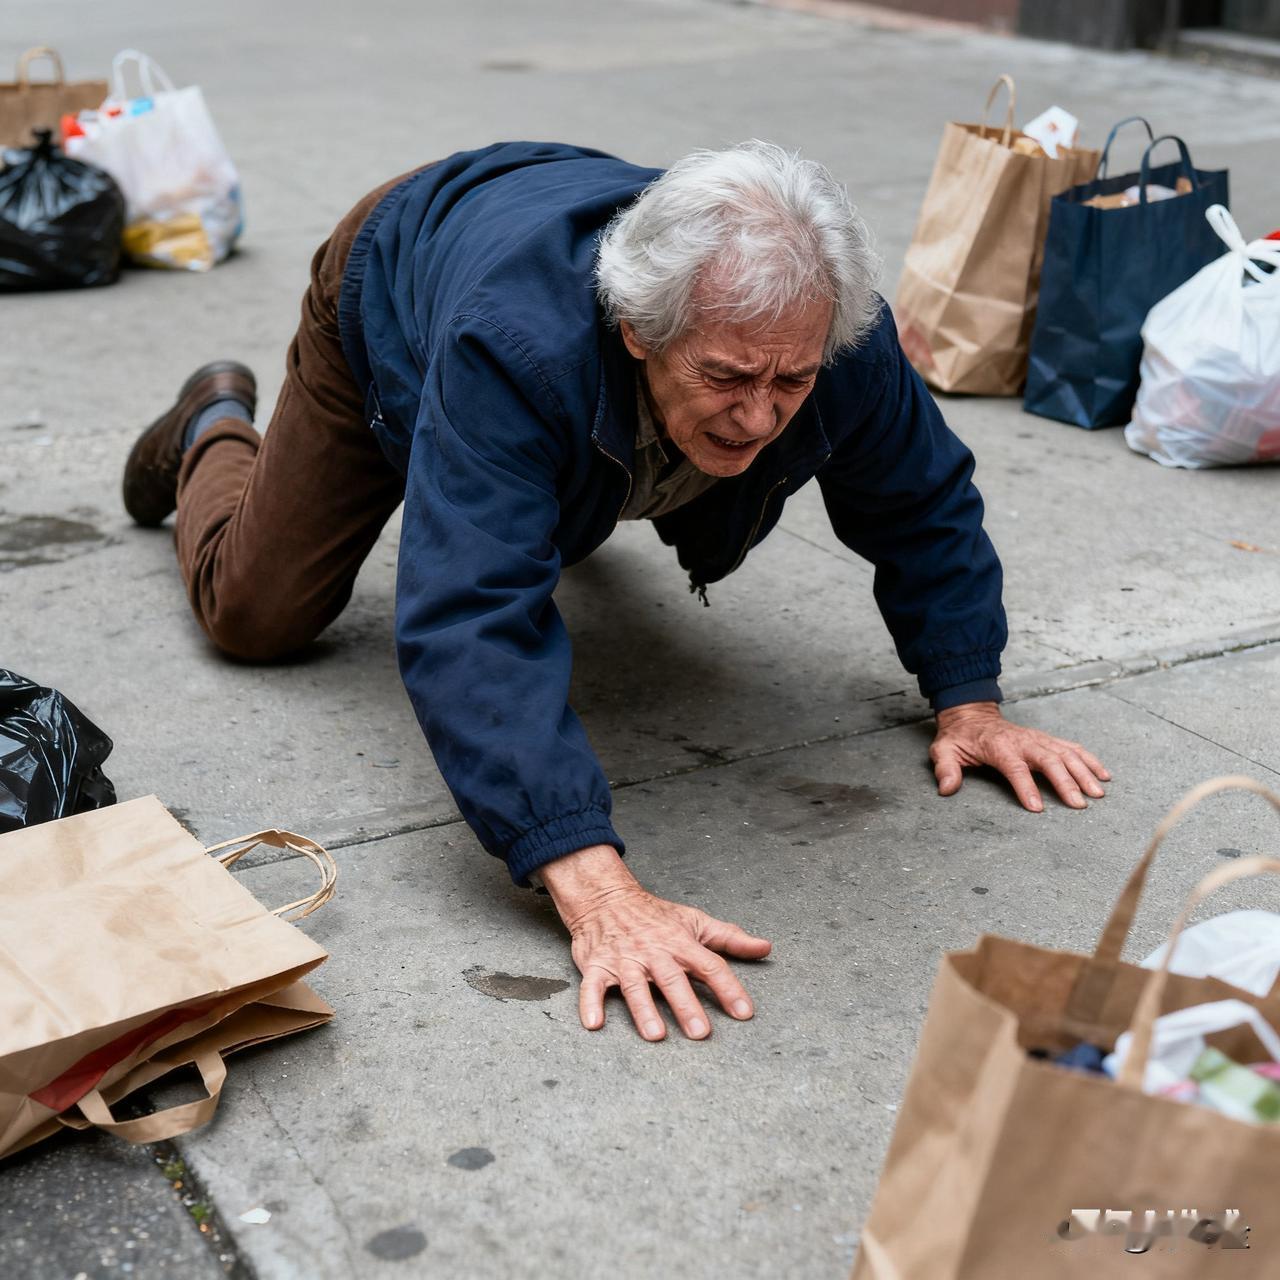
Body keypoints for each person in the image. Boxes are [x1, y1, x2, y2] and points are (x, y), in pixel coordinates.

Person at [122, 141, 1110, 1044]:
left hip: (568, 266)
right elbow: (469, 615)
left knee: (576, 489)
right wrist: (591, 878)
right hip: (396, 276)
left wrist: (966, 693)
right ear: (637, 330)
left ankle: (564, 475)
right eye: (726, 375)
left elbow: (920, 497)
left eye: (791, 382)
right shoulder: (510, 345)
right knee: (256, 612)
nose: (761, 414)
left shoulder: (830, 329)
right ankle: (212, 422)